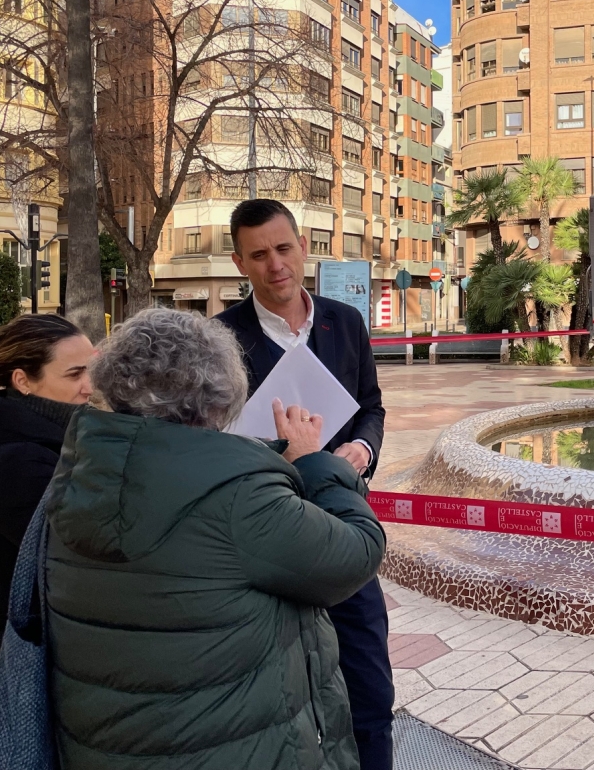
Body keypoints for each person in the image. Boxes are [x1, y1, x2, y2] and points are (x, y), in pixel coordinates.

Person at [44, 308, 385, 769]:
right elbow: (356, 553)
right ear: (217, 395)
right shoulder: (238, 497)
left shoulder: (77, 470)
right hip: (234, 746)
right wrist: (313, 462)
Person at [216, 199, 394, 770]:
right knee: (278, 703)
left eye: (283, 248)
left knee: (369, 686)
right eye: (259, 255)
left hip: (342, 529)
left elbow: (371, 406)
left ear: (304, 246)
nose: (276, 266)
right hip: (264, 539)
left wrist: (360, 450)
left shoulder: (345, 322)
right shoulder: (220, 341)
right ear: (241, 263)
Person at [0, 314, 93, 722]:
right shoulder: (18, 458)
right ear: (23, 380)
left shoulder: (46, 440)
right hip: (31, 664)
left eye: (92, 370)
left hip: (47, 652)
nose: (90, 386)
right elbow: (83, 552)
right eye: (74, 374)